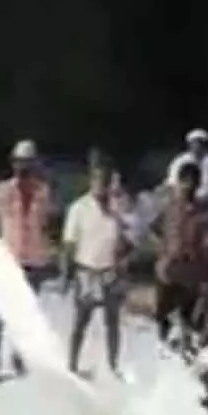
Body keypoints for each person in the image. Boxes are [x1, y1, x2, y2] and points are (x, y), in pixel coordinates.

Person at [0, 139, 52, 381]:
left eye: (28, 163)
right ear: (13, 163)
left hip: (32, 259)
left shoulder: (43, 192)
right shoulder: (2, 191)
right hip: (7, 260)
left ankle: (18, 356)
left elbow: (44, 225)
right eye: (20, 162)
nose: (23, 167)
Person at [62, 160, 126, 378]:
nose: (102, 185)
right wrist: (66, 275)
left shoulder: (117, 209)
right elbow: (69, 244)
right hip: (86, 272)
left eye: (106, 182)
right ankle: (72, 364)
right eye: (98, 180)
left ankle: (113, 364)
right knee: (81, 321)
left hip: (110, 272)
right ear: (91, 182)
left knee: (113, 322)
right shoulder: (78, 208)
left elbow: (125, 239)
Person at [154, 161, 208, 353]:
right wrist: (164, 252)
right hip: (167, 270)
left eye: (193, 182)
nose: (188, 187)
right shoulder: (169, 208)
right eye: (185, 182)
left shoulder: (202, 212)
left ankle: (184, 352)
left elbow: (207, 241)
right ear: (179, 182)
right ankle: (162, 348)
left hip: (191, 273)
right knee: (163, 315)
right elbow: (155, 230)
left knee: (188, 317)